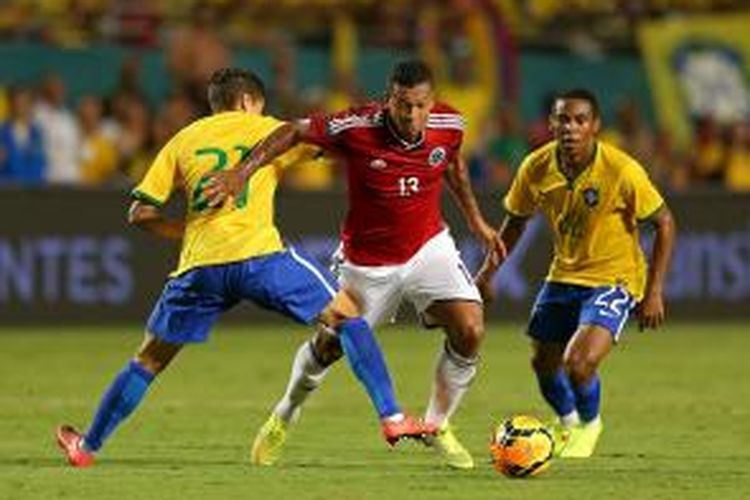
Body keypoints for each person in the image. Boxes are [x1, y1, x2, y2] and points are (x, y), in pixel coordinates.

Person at [55, 68, 432, 468]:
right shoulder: (269, 130)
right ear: (248, 102)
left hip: (201, 266)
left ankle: (88, 447)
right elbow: (335, 142)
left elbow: (140, 212)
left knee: (147, 361)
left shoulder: (184, 139)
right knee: (347, 318)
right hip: (260, 259)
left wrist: (187, 232)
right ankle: (391, 417)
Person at [204, 60, 504, 469]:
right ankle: (284, 414)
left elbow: (451, 162)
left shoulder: (450, 122)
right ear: (389, 99)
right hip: (368, 262)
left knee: (470, 328)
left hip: (427, 247)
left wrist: (475, 221)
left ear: (431, 103)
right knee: (328, 347)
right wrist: (243, 172)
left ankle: (437, 426)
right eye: (402, 105)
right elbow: (292, 130)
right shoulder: (357, 126)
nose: (411, 115)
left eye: (419, 106)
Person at [476, 89, 676, 458]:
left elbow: (664, 222)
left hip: (615, 279)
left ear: (595, 127)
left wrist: (654, 290)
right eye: (563, 119)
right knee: (543, 364)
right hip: (564, 275)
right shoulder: (535, 167)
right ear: (551, 124)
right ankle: (568, 423)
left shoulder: (622, 170)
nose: (571, 128)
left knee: (579, 363)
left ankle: (590, 423)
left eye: (580, 120)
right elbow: (515, 222)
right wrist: (487, 273)